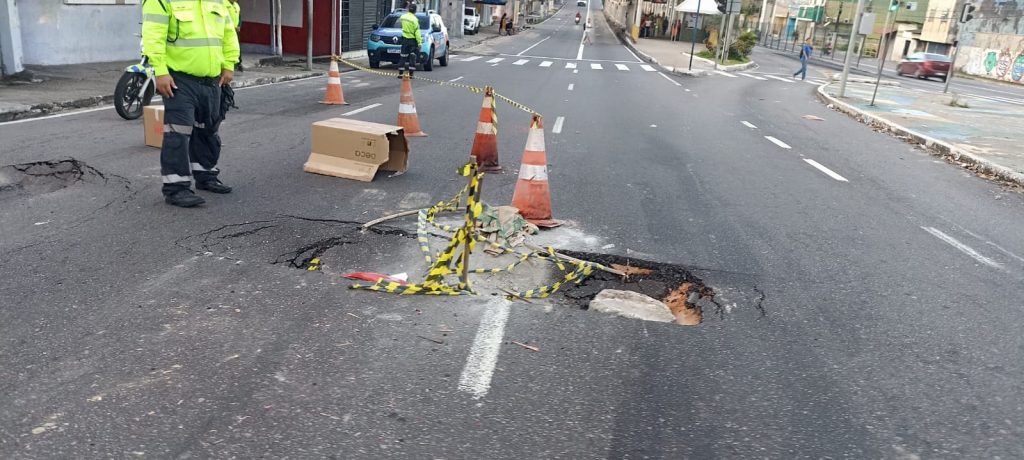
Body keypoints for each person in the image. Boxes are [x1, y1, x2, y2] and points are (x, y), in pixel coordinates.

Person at [142, 0, 239, 208]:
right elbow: (153, 36)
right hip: (179, 79)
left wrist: (229, 64)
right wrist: (160, 71)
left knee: (208, 129)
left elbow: (229, 33)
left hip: (212, 80)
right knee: (178, 132)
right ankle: (176, 188)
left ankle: (206, 176)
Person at [397, 4, 422, 78]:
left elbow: (400, 23)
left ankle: (400, 73)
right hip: (412, 40)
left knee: (403, 56)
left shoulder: (403, 17)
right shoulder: (415, 20)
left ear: (408, 9)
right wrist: (419, 43)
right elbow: (417, 32)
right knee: (412, 57)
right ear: (415, 10)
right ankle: (411, 74)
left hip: (404, 39)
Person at [227, 0, 243, 73]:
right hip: (228, 30)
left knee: (237, 47)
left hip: (236, 30)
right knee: (228, 47)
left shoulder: (237, 6)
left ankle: (238, 63)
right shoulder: (224, 4)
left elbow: (240, 17)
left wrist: (239, 25)